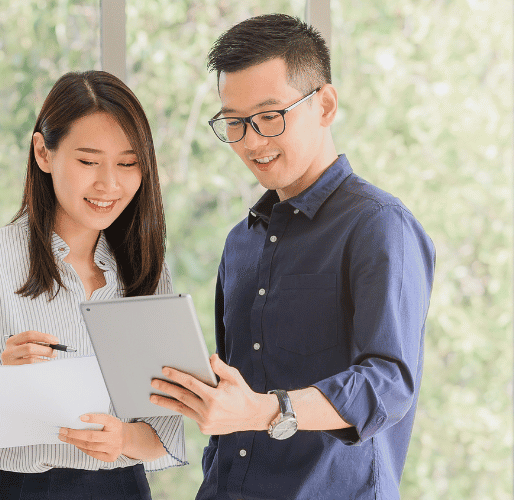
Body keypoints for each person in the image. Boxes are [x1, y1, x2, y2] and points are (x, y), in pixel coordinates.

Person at [147, 14, 436, 500]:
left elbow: (388, 384)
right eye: (234, 123)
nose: (252, 141)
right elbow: (237, 391)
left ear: (325, 105)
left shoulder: (379, 224)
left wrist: (263, 411)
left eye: (269, 116)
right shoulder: (242, 240)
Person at [0, 70, 186, 499]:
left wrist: (121, 439)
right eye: (87, 161)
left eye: (128, 162)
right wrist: (5, 382)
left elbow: (162, 431)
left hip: (125, 488)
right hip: (23, 490)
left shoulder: (146, 271)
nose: (109, 184)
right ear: (43, 152)